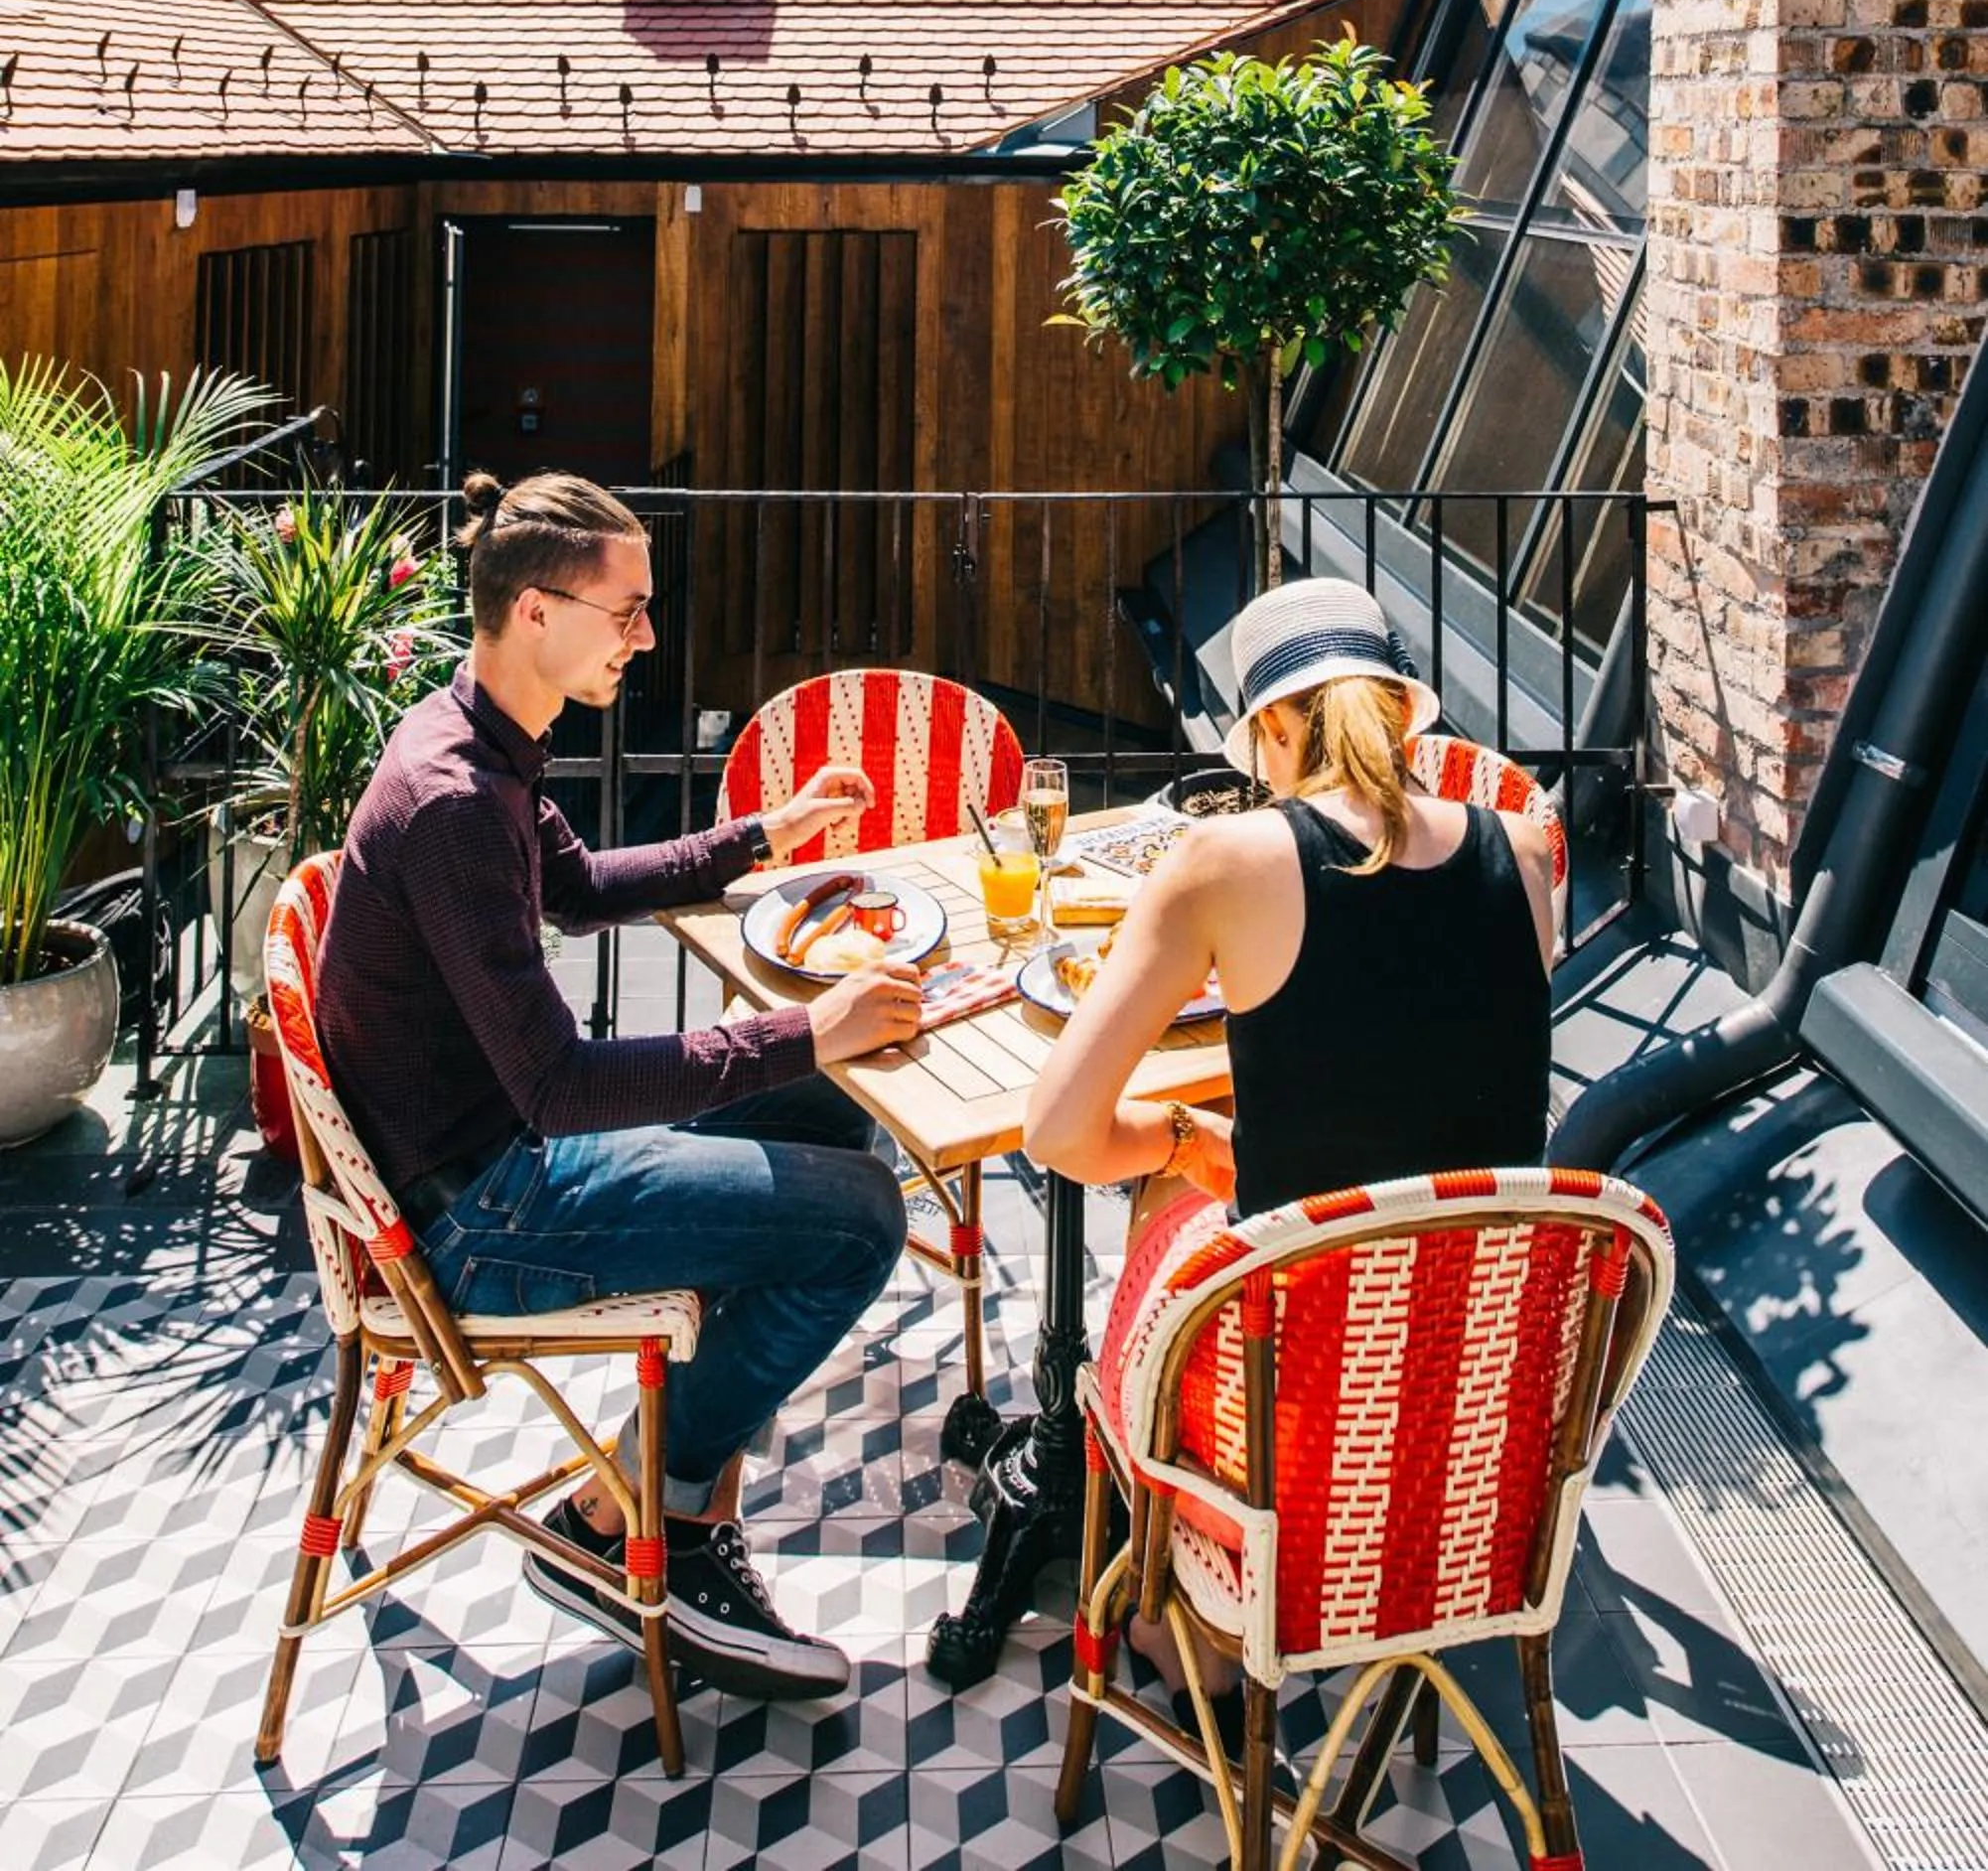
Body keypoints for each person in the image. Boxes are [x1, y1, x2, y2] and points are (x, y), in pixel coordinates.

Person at [318, 470, 923, 1701]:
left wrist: (766, 834)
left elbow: (583, 889)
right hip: (476, 1212)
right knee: (863, 1218)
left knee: (837, 1115)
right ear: (537, 611)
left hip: (481, 1156)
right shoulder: (453, 802)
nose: (647, 635)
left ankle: (659, 1474)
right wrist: (808, 1026)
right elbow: (554, 1087)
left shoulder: (476, 737)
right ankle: (638, 1520)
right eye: (628, 610)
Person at [1025, 575, 1555, 1700]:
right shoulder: (1526, 848)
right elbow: (1438, 1058)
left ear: (1271, 726)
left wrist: (1181, 1138)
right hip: (1482, 1411)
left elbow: (1058, 1131)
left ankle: (1198, 1640)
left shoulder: (1224, 863)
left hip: (1293, 1414)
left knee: (1166, 1200)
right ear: (1404, 713)